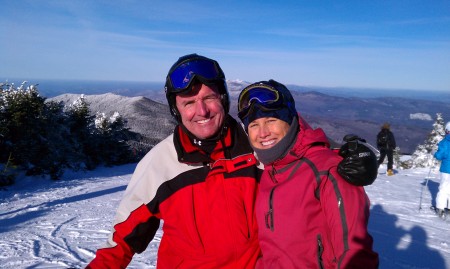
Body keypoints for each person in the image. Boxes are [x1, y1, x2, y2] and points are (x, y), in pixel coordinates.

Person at [86, 54, 376, 269]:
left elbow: (299, 157)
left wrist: (345, 158)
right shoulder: (159, 164)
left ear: (223, 99)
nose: (201, 111)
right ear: (176, 110)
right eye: (188, 102)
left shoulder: (255, 149)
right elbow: (120, 243)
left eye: (209, 98)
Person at [237, 79, 379, 268]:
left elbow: (355, 253)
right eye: (254, 125)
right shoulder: (268, 170)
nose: (263, 133)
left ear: (291, 121)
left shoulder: (328, 172)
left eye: (271, 120)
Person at [433, 121, 450, 220]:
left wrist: (434, 153)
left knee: (443, 189)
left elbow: (439, 156)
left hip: (446, 170)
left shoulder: (444, 143)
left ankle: (440, 208)